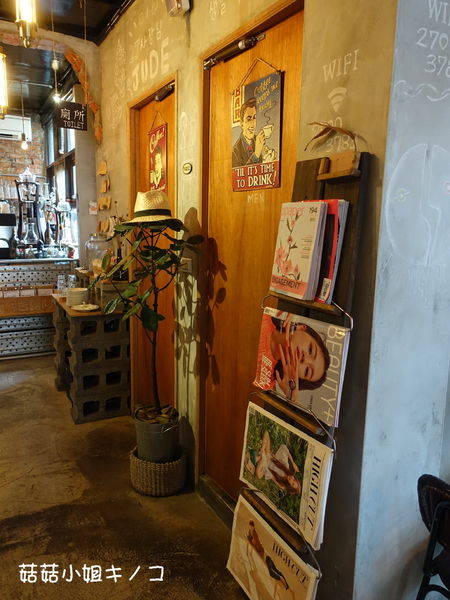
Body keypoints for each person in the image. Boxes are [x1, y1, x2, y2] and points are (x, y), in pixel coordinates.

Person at [269, 314, 330, 401]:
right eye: (310, 350)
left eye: (307, 370)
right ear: (303, 328)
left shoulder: (264, 378)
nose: (305, 359)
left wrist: (290, 397)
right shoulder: (273, 312)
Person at [248, 430, 301, 495]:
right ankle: (261, 454)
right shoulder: (286, 466)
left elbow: (271, 477)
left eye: (292, 483)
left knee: (258, 475)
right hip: (268, 456)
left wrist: (264, 467)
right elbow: (284, 448)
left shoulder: (282, 484)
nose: (292, 479)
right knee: (266, 433)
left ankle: (259, 457)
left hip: (265, 464)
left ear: (290, 487)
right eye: (294, 479)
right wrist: (293, 463)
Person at [232, 98, 267, 168]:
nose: (253, 124)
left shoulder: (258, 140)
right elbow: (242, 173)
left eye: (254, 118)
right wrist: (256, 154)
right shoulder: (235, 152)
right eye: (248, 119)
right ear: (241, 124)